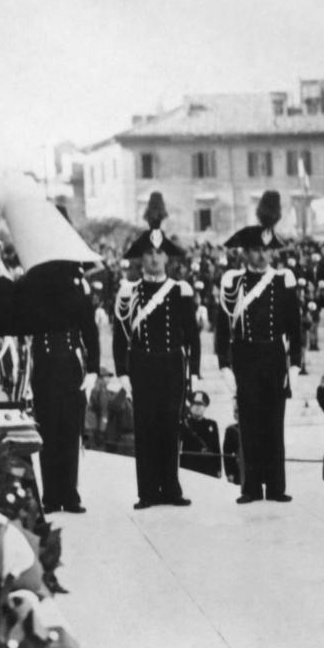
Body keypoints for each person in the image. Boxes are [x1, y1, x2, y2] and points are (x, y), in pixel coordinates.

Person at [113, 193, 199, 510]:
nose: (153, 259)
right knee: (146, 429)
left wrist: (197, 372)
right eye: (148, 254)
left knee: (169, 427)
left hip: (172, 365)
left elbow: (192, 336)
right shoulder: (129, 292)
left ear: (167, 259)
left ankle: (171, 489)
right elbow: (121, 337)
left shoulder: (180, 290)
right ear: (140, 258)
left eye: (159, 254)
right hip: (143, 366)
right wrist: (123, 373)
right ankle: (148, 491)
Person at [216, 192, 301, 504]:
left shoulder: (283, 282)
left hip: (274, 360)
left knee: (274, 426)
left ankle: (276, 487)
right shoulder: (232, 284)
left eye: (266, 251)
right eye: (254, 251)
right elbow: (222, 330)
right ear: (245, 254)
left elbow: (295, 329)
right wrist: (225, 366)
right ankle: (251, 487)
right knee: (249, 427)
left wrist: (295, 365)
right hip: (246, 360)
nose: (260, 257)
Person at [31, 271, 99, 514]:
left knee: (70, 432)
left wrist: (93, 369)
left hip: (70, 367)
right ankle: (50, 497)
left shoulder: (77, 294)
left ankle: (70, 495)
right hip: (43, 368)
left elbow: (90, 332)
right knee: (47, 432)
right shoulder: (33, 291)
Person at [179, 390, 222, 478]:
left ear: (205, 407)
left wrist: (218, 469)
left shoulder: (211, 424)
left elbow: (216, 448)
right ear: (190, 407)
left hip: (208, 467)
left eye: (201, 405)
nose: (198, 407)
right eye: (195, 404)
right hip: (189, 466)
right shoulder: (184, 424)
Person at [223, 401, 243, 485]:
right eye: (236, 411)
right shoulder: (231, 430)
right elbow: (227, 453)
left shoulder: (255, 429)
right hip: (237, 469)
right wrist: (229, 473)